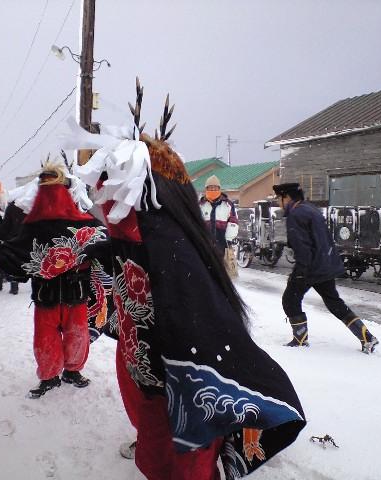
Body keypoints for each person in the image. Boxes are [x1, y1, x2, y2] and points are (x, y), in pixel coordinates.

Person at [67, 85, 306, 480]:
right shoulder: (131, 238)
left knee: (183, 461)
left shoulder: (170, 244)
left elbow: (198, 322)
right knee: (156, 448)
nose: (104, 197)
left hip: (175, 376)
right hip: (144, 365)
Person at [0, 162, 111, 398]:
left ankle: (69, 371)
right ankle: (52, 375)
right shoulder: (76, 223)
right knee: (59, 335)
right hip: (54, 292)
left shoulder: (40, 225)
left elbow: (11, 254)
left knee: (71, 334)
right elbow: (14, 254)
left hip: (68, 290)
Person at [273, 182, 379, 353]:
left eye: (279, 198)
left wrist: (300, 272)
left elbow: (302, 246)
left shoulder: (296, 214)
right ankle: (367, 337)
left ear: (287, 197)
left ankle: (300, 340)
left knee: (290, 300)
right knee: (334, 303)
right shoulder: (310, 209)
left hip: (310, 267)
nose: (278, 203)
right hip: (325, 264)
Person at [198, 175, 238, 257]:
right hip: (204, 244)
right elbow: (195, 223)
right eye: (210, 188)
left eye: (215, 188)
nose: (213, 190)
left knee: (221, 264)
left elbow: (233, 223)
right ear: (206, 189)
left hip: (222, 244)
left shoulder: (228, 205)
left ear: (219, 189)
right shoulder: (201, 205)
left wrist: (228, 239)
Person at [0, 199, 26, 295]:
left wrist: (2, 236)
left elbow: (6, 225)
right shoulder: (26, 206)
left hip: (12, 238)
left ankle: (14, 285)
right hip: (25, 237)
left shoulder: (11, 208)